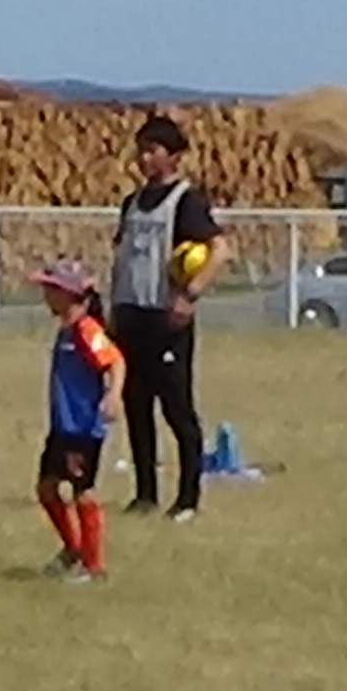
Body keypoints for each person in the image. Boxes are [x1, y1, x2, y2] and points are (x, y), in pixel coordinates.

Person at [108, 113, 222, 519]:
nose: (143, 157)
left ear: (173, 157)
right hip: (130, 314)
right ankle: (145, 494)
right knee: (136, 407)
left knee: (177, 409)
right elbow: (120, 257)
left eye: (152, 150)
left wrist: (190, 295)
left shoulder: (186, 201)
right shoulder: (132, 203)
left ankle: (188, 498)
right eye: (140, 149)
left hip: (166, 319)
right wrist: (112, 310)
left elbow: (219, 251)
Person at [32, 259, 127, 583]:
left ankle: (93, 565)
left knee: (83, 492)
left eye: (50, 288)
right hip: (63, 427)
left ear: (67, 294)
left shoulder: (87, 330)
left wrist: (113, 395)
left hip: (83, 429)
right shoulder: (66, 329)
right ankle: (74, 550)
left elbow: (115, 361)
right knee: (46, 489)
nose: (45, 294)